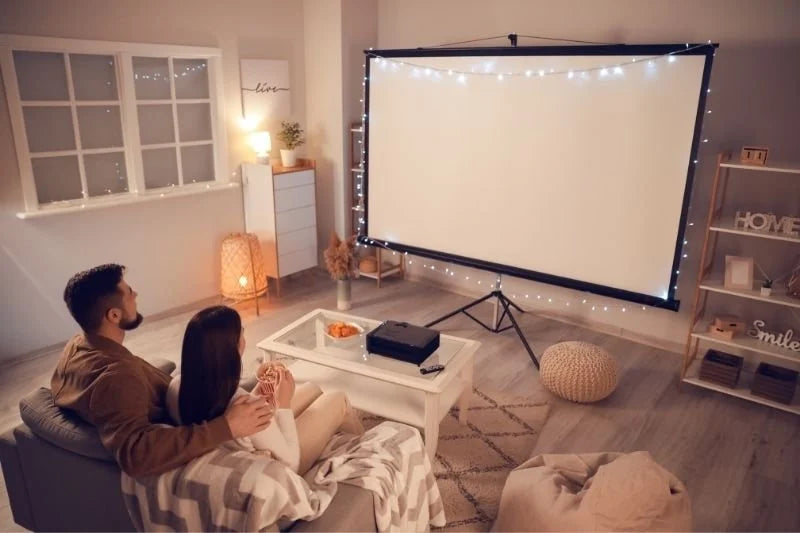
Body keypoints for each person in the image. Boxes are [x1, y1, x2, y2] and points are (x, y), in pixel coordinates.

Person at [51, 264, 274, 478]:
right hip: (194, 410)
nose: (135, 294)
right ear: (114, 315)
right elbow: (136, 455)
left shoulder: (79, 345)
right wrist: (226, 427)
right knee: (282, 389)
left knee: (260, 375)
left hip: (181, 391)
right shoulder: (118, 378)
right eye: (129, 292)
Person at [167, 305, 364, 475]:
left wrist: (260, 393)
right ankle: (367, 451)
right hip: (279, 465)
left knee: (312, 389)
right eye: (241, 333)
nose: (244, 337)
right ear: (232, 349)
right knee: (338, 398)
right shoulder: (246, 406)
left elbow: (229, 409)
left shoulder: (175, 387)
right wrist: (283, 404)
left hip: (240, 443)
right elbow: (291, 463)